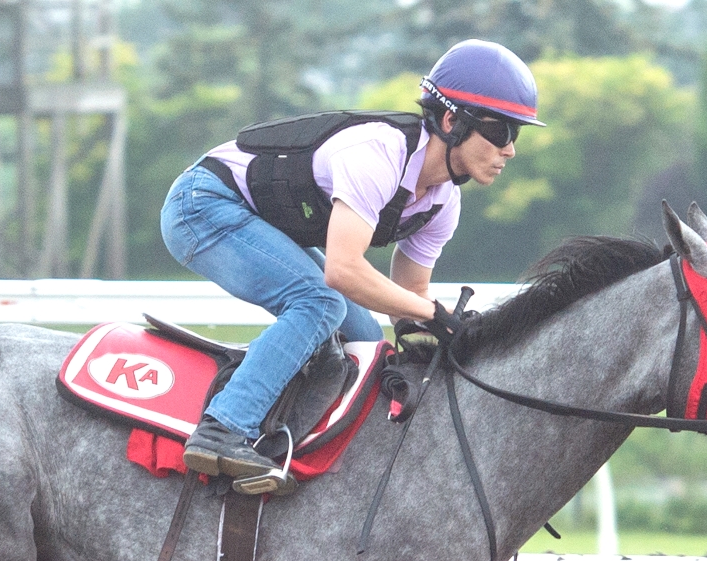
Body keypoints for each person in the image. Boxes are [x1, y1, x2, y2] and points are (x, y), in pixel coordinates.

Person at [160, 39, 543, 490]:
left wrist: (454, 334)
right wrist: (433, 313)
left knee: (366, 343)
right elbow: (341, 272)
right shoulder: (378, 154)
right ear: (451, 120)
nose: (510, 150)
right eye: (502, 133)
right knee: (319, 304)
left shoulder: (444, 204)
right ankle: (223, 429)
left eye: (516, 135)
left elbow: (409, 297)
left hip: (259, 220)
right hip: (202, 204)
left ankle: (292, 449)